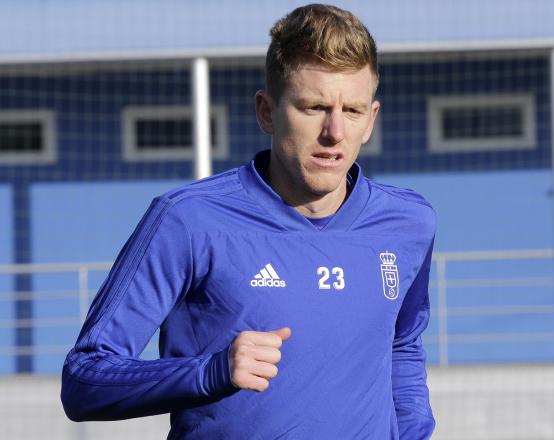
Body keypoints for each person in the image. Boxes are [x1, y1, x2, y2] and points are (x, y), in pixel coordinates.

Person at [61, 4, 436, 439]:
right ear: (266, 112)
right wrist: (209, 372)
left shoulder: (409, 223)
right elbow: (84, 380)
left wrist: (412, 432)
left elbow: (402, 344)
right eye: (313, 107)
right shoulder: (188, 220)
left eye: (351, 111)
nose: (334, 132)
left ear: (370, 120)